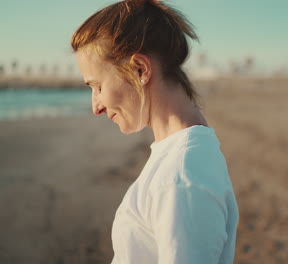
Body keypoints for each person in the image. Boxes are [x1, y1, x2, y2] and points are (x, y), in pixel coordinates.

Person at [71, 0, 239, 263]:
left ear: (140, 69)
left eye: (98, 86)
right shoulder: (184, 156)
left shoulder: (181, 178)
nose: (96, 107)